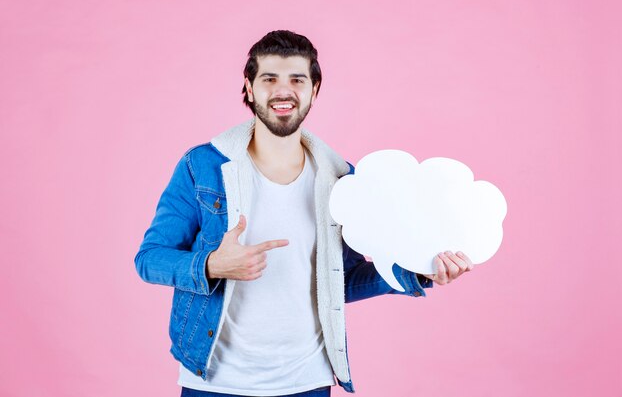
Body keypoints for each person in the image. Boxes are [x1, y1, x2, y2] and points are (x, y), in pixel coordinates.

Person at [134, 30, 474, 397]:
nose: (284, 91)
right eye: (269, 79)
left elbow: (340, 281)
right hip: (213, 381)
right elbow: (149, 259)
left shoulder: (342, 180)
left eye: (297, 79)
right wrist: (212, 265)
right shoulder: (202, 166)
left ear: (315, 90)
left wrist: (418, 270)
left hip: (306, 382)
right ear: (249, 88)